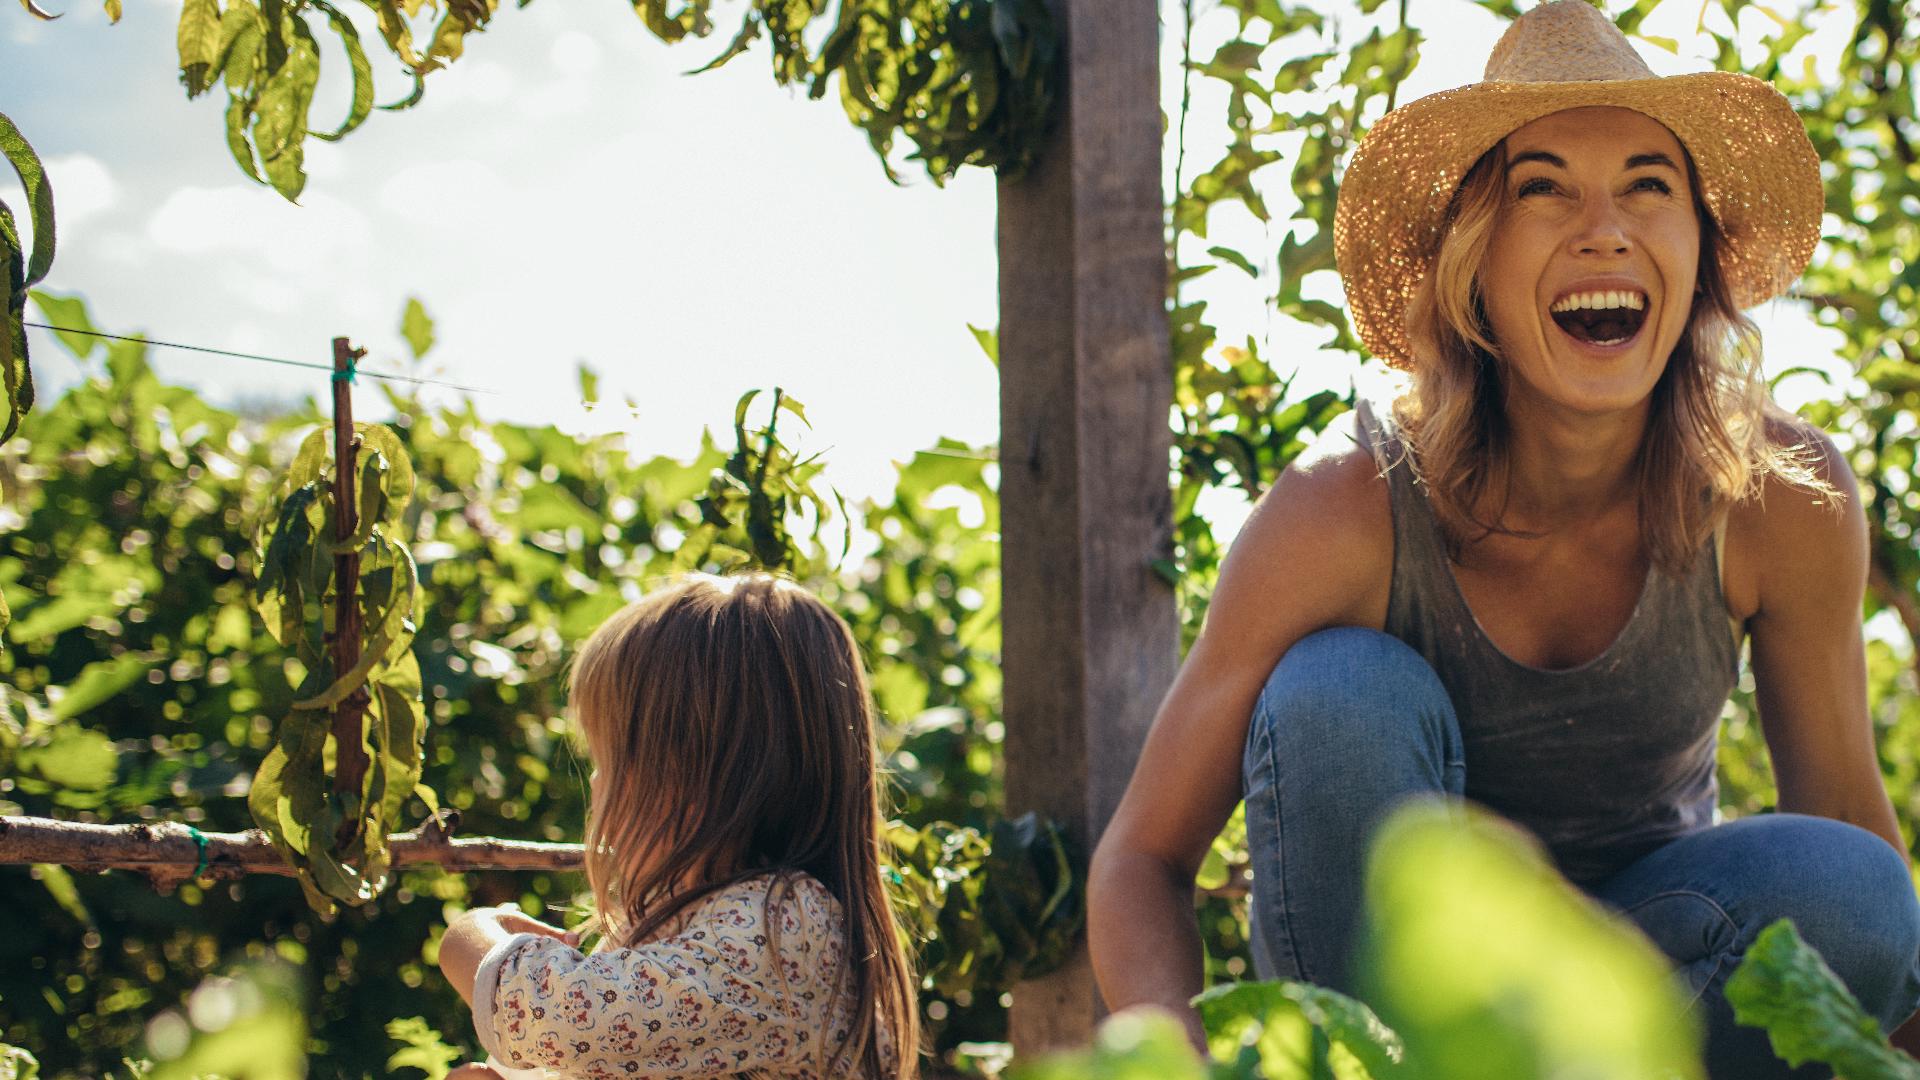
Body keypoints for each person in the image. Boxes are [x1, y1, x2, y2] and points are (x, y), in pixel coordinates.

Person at [1087, 3, 1920, 1077]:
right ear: (1471, 262)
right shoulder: (1344, 511)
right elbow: (1142, 859)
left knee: (1849, 887)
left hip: (1647, 985)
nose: (1605, 228)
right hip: (1382, 1007)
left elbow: (1853, 827)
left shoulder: (1778, 500)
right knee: (1341, 690)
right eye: (1544, 189)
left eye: (1648, 186)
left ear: (1700, 250)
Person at [433, 573, 920, 1079]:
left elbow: (556, 1018)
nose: (595, 782)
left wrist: (470, 938)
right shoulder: (706, 928)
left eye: (608, 758)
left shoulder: (778, 926)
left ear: (685, 778)